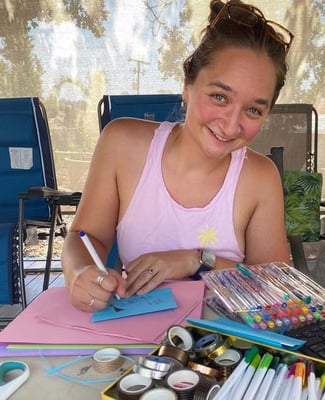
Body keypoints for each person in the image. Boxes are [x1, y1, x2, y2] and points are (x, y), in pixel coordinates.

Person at [61, 0, 293, 312]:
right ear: (187, 86)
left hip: (227, 345)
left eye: (253, 109)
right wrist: (81, 274)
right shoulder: (121, 143)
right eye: (219, 96)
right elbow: (84, 236)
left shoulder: (261, 177)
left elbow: (274, 286)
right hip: (135, 336)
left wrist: (195, 259)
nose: (231, 123)